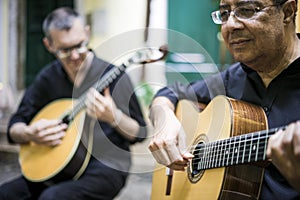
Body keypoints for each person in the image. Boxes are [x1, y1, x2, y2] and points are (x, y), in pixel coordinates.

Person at [148, 0, 300, 199]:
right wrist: (164, 120)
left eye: (246, 10)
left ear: (287, 12)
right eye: (225, 13)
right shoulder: (234, 76)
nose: (230, 25)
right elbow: (169, 94)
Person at [0, 7, 147, 200]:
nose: (75, 55)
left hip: (107, 166)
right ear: (49, 45)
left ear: (87, 33)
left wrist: (114, 117)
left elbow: (140, 133)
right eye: (65, 50)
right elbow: (15, 125)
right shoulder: (47, 78)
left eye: (79, 45)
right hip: (57, 165)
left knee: (52, 198)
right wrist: (29, 133)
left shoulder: (114, 76)